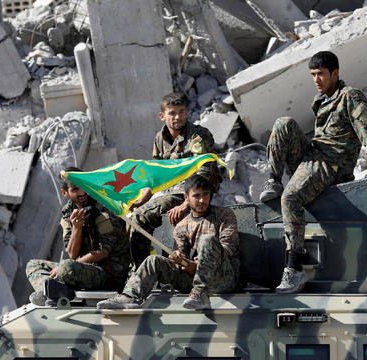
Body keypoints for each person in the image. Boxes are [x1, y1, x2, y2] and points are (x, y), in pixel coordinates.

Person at [258, 51, 367, 294]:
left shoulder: (350, 96)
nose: (316, 79)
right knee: (283, 124)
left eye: (320, 74)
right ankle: (273, 179)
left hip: (332, 164)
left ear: (335, 73)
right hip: (315, 154)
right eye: (313, 75)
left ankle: (294, 267)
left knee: (290, 199)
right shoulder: (321, 98)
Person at [96, 174, 240, 310]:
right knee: (153, 260)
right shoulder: (181, 226)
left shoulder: (224, 215)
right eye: (196, 196)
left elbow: (228, 249)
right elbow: (183, 261)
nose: (202, 200)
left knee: (207, 240)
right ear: (186, 197)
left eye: (206, 194)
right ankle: (129, 297)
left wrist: (196, 264)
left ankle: (200, 294)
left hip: (223, 277)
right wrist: (179, 260)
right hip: (195, 277)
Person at [127, 92, 220, 267]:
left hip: (197, 193)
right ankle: (141, 268)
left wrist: (186, 204)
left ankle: (142, 270)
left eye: (181, 112)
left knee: (142, 217)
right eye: (172, 113)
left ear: (186, 113)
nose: (177, 117)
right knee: (137, 216)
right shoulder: (160, 139)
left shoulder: (198, 136)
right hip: (174, 192)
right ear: (162, 116)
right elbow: (156, 175)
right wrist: (141, 200)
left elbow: (204, 173)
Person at [25, 166, 132, 305]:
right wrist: (77, 227)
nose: (82, 192)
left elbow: (103, 252)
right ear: (65, 193)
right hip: (84, 269)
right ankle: (50, 291)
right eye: (75, 189)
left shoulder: (104, 209)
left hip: (110, 275)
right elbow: (73, 254)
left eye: (83, 186)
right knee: (33, 265)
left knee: (65, 268)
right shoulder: (68, 215)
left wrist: (69, 266)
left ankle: (55, 289)